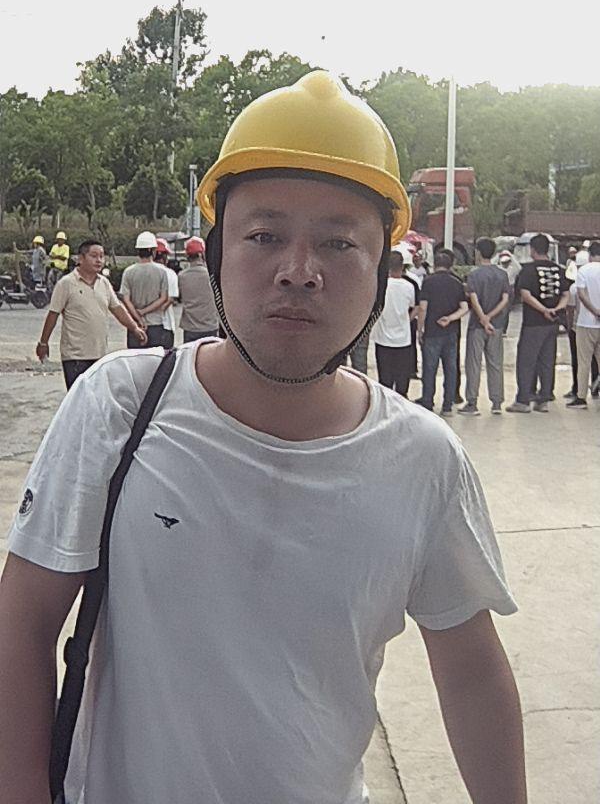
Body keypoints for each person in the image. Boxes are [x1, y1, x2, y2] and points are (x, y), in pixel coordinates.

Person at [0, 71, 526, 804]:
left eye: (339, 243)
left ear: (380, 273)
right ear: (218, 253)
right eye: (265, 236)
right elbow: (23, 624)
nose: (299, 272)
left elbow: (470, 672)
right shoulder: (119, 407)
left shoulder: (423, 459)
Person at [35, 238, 147, 388]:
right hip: (75, 357)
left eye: (101, 256)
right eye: (94, 256)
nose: (99, 260)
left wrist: (134, 328)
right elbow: (53, 315)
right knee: (79, 398)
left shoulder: (104, 283)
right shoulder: (66, 284)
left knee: (98, 398)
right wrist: (43, 343)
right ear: (81, 259)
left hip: (99, 355)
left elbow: (117, 309)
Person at [507, 233, 570, 413]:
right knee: (547, 361)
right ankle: (544, 399)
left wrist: (543, 310)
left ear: (532, 249)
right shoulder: (559, 270)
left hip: (533, 323)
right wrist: (556, 309)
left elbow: (525, 295)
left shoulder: (527, 270)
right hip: (553, 323)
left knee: (526, 361)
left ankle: (523, 400)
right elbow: (566, 294)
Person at [459, 237, 510, 416]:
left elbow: (473, 299)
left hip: (477, 325)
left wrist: (483, 319)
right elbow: (505, 299)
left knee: (473, 364)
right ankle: (496, 402)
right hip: (497, 325)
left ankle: (472, 402)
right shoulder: (502, 274)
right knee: (495, 363)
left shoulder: (474, 274)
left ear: (478, 252)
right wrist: (491, 318)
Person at [417, 249, 468, 415]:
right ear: (450, 265)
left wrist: (420, 329)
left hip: (432, 331)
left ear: (435, 265)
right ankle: (447, 405)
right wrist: (450, 318)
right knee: (450, 369)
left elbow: (423, 308)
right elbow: (464, 308)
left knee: (429, 369)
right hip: (451, 332)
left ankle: (427, 402)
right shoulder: (457, 282)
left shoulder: (428, 282)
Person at [371, 246, 418, 396]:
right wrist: (407, 319)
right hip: (403, 339)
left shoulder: (380, 286)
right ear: (402, 266)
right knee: (402, 377)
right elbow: (415, 307)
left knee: (385, 379)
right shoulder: (409, 286)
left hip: (382, 338)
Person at [119, 231, 170, 348]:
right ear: (153, 251)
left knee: (135, 357)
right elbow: (163, 298)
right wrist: (144, 311)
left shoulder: (128, 272)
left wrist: (138, 317)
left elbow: (125, 299)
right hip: (156, 323)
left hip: (134, 325)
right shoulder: (162, 271)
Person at [567, 241, 600, 408]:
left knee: (584, 361)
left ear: (590, 255)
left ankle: (581, 397)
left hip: (586, 323)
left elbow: (581, 294)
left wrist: (595, 311)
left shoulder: (584, 271)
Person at [177, 236, 220, 343]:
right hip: (210, 326)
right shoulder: (211, 275)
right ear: (201, 254)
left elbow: (178, 298)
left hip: (190, 327)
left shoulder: (182, 276)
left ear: (187, 256)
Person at [154, 238, 180, 349]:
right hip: (166, 325)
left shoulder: (141, 271)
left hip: (145, 324)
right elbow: (171, 299)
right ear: (164, 257)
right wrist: (159, 312)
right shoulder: (170, 273)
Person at [495, 249, 521, 335]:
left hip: (510, 289)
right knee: (498, 309)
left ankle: (503, 329)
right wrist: (498, 256)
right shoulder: (498, 268)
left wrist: (511, 256)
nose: (505, 264)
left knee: (506, 311)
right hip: (499, 289)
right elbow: (492, 263)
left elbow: (519, 267)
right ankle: (498, 327)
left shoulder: (512, 269)